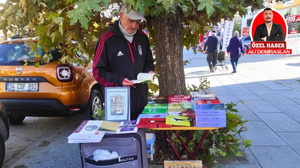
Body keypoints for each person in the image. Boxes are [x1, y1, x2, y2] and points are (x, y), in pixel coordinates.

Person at [93, 5, 155, 120]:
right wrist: (119, 81)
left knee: (141, 133)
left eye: (137, 22)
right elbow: (98, 72)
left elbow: (149, 61)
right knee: (121, 136)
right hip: (117, 101)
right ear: (121, 16)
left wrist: (149, 71)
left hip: (141, 98)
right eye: (131, 21)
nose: (134, 26)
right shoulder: (107, 39)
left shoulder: (142, 37)